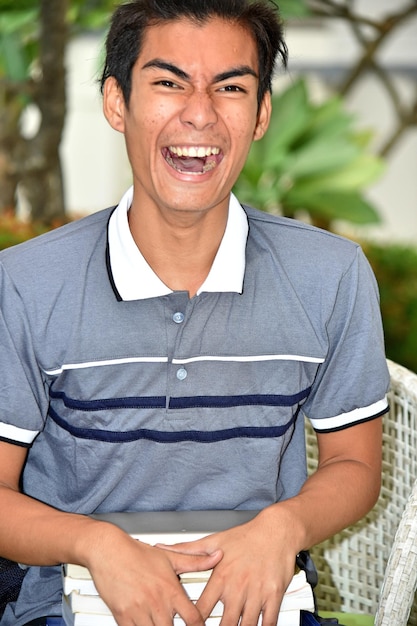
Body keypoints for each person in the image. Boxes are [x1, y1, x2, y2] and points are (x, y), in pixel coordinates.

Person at [0, 0, 390, 625]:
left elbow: (354, 465)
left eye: (230, 87)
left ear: (261, 112)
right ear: (116, 102)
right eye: (168, 82)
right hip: (74, 594)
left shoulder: (330, 274)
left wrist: (281, 528)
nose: (200, 114)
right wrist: (96, 545)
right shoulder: (24, 284)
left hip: (258, 593)